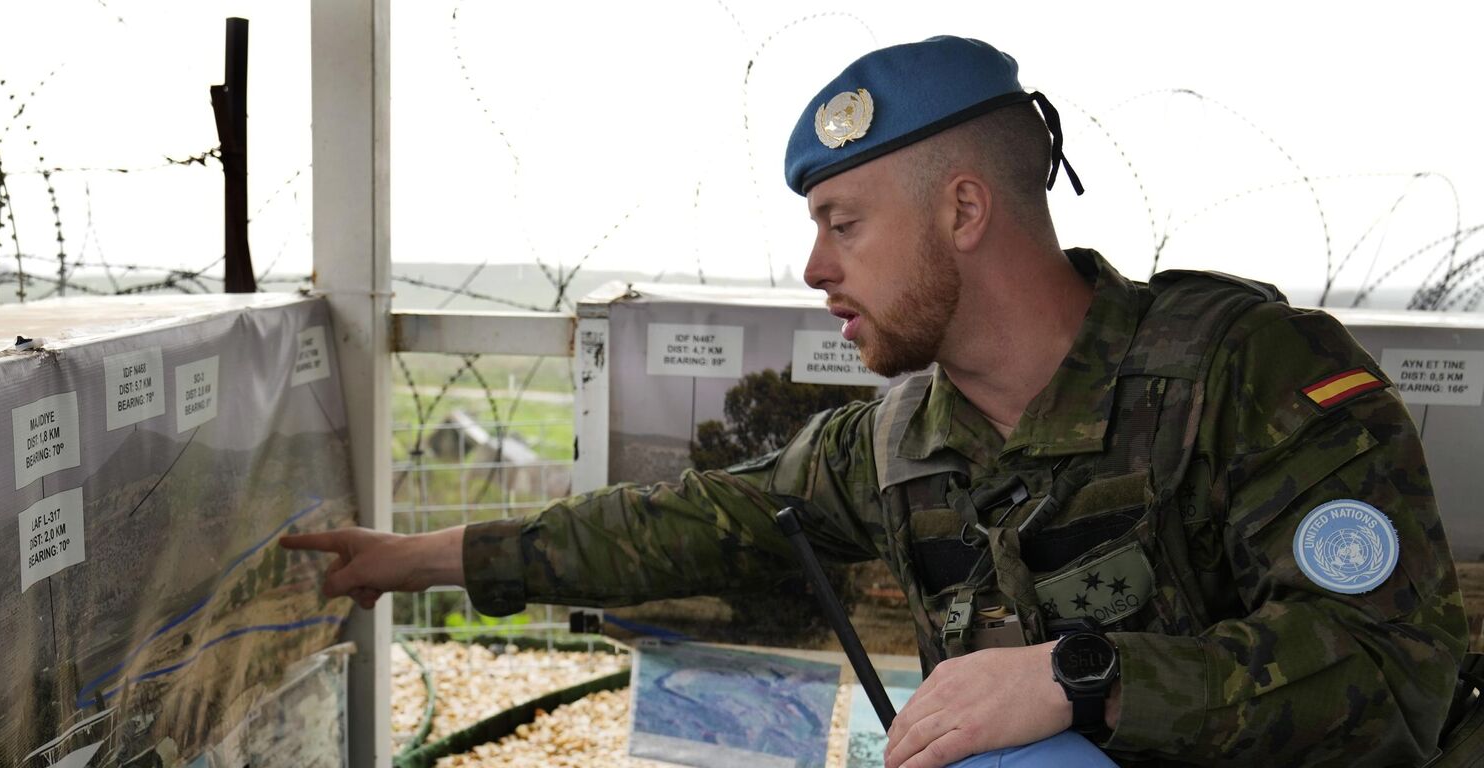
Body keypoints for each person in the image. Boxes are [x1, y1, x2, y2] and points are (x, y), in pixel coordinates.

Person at [283, 36, 1466, 767]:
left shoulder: (1247, 377)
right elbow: (687, 524)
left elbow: (1389, 672)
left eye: (843, 225)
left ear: (963, 211)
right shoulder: (896, 447)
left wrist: (1077, 679)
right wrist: (412, 558)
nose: (815, 270)